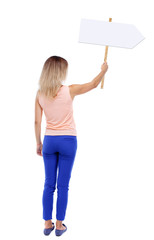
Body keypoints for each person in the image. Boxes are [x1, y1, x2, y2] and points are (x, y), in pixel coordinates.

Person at [34, 56, 108, 236]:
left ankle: (47, 223)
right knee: (63, 186)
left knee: (48, 184)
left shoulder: (40, 93)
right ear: (60, 72)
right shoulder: (70, 90)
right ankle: (59, 226)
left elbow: (37, 121)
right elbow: (92, 84)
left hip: (50, 141)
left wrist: (38, 143)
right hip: (68, 141)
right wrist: (103, 71)